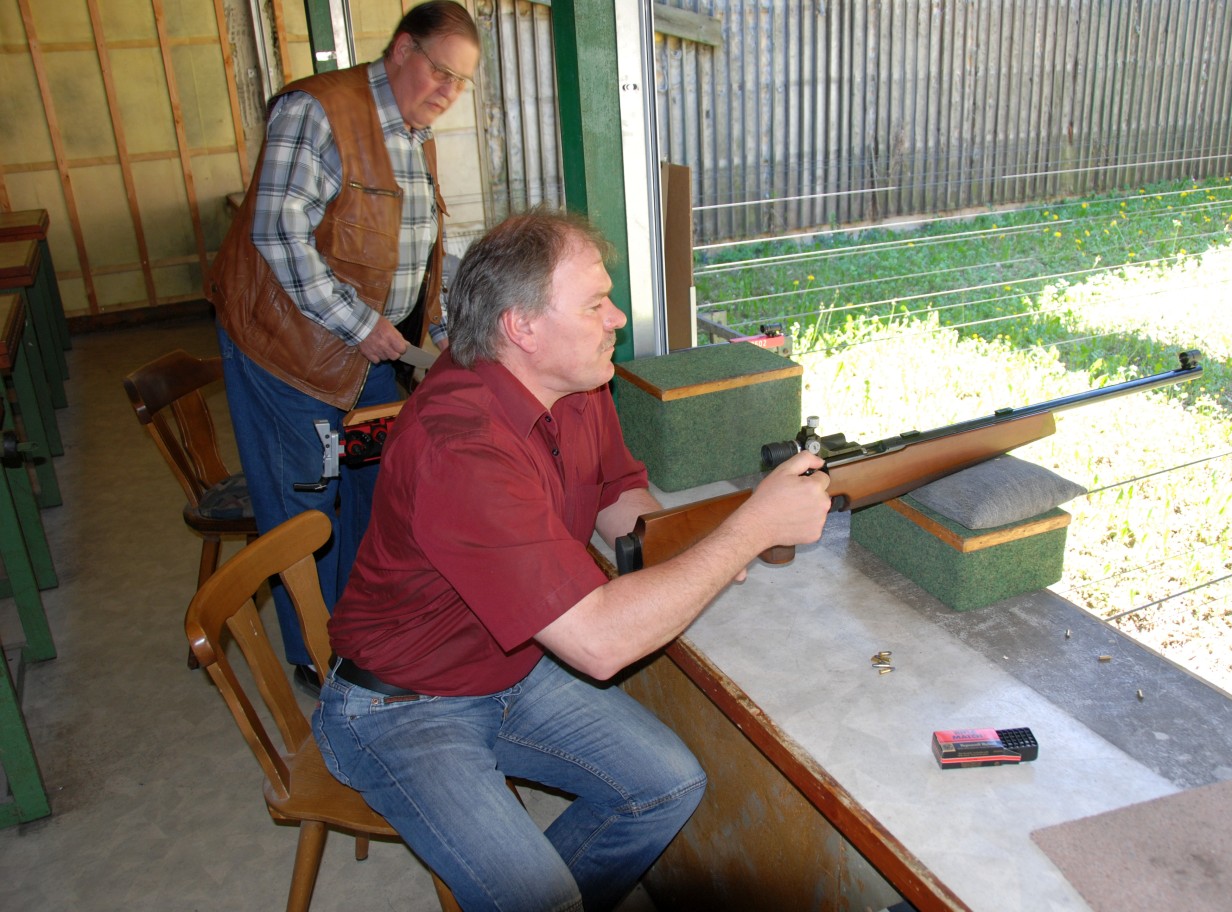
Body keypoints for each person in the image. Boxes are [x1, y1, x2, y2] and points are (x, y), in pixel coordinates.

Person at [311, 209, 832, 911]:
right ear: (521, 327)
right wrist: (745, 531)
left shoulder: (576, 383)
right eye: (594, 304)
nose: (617, 318)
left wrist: (693, 550)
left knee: (665, 786)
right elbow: (598, 645)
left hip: (509, 667)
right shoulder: (459, 445)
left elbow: (615, 492)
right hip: (401, 706)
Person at [206, 1, 480, 690]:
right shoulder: (319, 109)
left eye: (461, 81)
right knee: (304, 505)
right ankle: (315, 658)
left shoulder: (414, 136)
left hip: (367, 354)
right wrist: (362, 325)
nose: (448, 91)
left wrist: (438, 334)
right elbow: (277, 231)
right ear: (402, 50)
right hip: (290, 355)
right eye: (441, 71)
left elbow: (416, 253)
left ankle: (359, 632)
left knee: (372, 488)